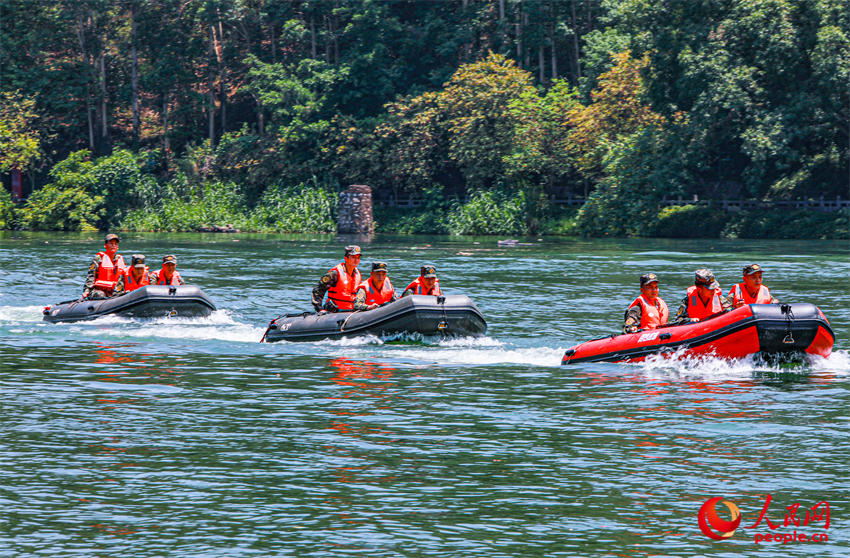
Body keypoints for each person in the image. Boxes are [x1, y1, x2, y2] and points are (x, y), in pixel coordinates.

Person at [312, 245, 362, 312]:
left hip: (351, 311)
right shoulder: (335, 274)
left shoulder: (357, 274)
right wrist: (319, 309)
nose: (356, 260)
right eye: (353, 257)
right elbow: (318, 290)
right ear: (346, 258)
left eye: (358, 258)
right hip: (335, 312)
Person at [82, 233, 127, 299]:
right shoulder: (98, 258)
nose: (113, 246)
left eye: (115, 244)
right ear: (105, 245)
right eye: (111, 243)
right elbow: (91, 275)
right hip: (98, 290)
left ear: (117, 247)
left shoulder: (120, 259)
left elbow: (123, 278)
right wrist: (87, 290)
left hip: (114, 291)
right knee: (101, 294)